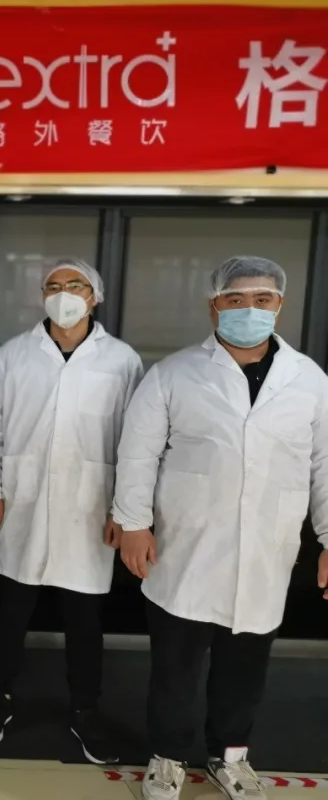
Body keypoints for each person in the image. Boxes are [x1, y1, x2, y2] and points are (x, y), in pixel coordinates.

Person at [113, 256, 328, 800]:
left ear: (279, 305)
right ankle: (167, 756)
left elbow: (326, 464)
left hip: (264, 551)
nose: (248, 309)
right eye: (235, 299)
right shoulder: (174, 373)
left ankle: (230, 757)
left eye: (262, 299)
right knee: (175, 666)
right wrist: (133, 523)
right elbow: (137, 454)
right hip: (186, 546)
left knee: (245, 666)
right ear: (214, 306)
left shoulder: (309, 380)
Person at [0, 259, 143, 764]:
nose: (63, 293)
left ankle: (85, 709)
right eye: (53, 285)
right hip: (20, 500)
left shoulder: (121, 360)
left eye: (75, 285)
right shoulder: (14, 355)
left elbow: (137, 439)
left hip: (89, 505)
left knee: (84, 618)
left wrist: (124, 509)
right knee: (11, 609)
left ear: (95, 295)